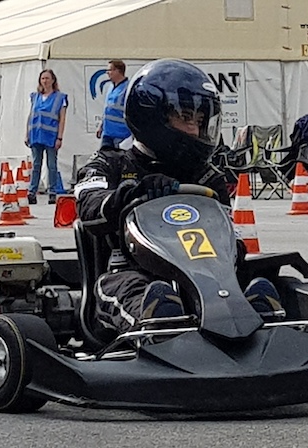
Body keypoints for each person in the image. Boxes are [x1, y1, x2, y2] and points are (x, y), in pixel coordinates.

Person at [74, 58, 281, 335]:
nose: (195, 130)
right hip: (129, 272)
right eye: (185, 119)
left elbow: (231, 238)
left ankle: (264, 327)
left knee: (258, 284)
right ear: (152, 115)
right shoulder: (110, 164)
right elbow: (89, 208)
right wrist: (133, 194)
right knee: (147, 296)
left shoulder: (207, 178)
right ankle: (161, 328)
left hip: (206, 280)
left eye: (199, 121)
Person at [25, 69, 68, 205]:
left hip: (50, 136)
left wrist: (60, 137)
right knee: (36, 164)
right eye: (43, 78)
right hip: (36, 135)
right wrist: (26, 133)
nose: (45, 81)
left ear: (53, 80)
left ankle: (52, 192)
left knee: (51, 165)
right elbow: (30, 115)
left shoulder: (60, 98)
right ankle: (32, 192)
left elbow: (62, 119)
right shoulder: (35, 96)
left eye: (47, 78)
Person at [95, 60, 132, 149]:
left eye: (110, 70)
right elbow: (107, 108)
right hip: (107, 133)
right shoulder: (111, 87)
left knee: (118, 160)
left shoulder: (128, 88)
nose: (107, 73)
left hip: (121, 134)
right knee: (104, 159)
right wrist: (101, 126)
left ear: (118, 71)